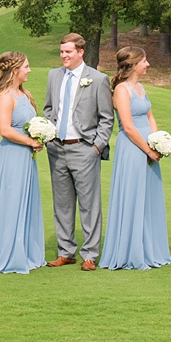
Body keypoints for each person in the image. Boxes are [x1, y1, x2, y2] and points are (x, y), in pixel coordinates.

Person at [40, 32, 115, 271]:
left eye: (68, 52)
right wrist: (48, 136)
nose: (63, 56)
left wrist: (96, 146)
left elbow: (106, 118)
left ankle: (90, 255)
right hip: (57, 148)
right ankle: (66, 252)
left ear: (80, 52)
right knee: (62, 204)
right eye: (61, 52)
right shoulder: (53, 76)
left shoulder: (98, 78)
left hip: (84, 148)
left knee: (89, 204)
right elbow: (49, 108)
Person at [101, 47, 171, 270]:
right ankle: (130, 251)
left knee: (148, 197)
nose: (148, 64)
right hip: (132, 148)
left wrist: (158, 141)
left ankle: (150, 247)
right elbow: (129, 127)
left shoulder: (140, 87)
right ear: (133, 64)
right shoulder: (122, 90)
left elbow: (150, 116)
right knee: (133, 195)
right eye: (145, 60)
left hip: (148, 144)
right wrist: (148, 150)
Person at [0, 52, 46, 274]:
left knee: (25, 201)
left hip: (26, 157)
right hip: (12, 157)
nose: (29, 70)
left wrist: (39, 138)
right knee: (11, 202)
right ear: (15, 70)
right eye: (26, 66)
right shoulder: (5, 97)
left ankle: (25, 251)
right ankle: (6, 254)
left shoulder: (25, 94)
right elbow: (5, 130)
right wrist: (30, 141)